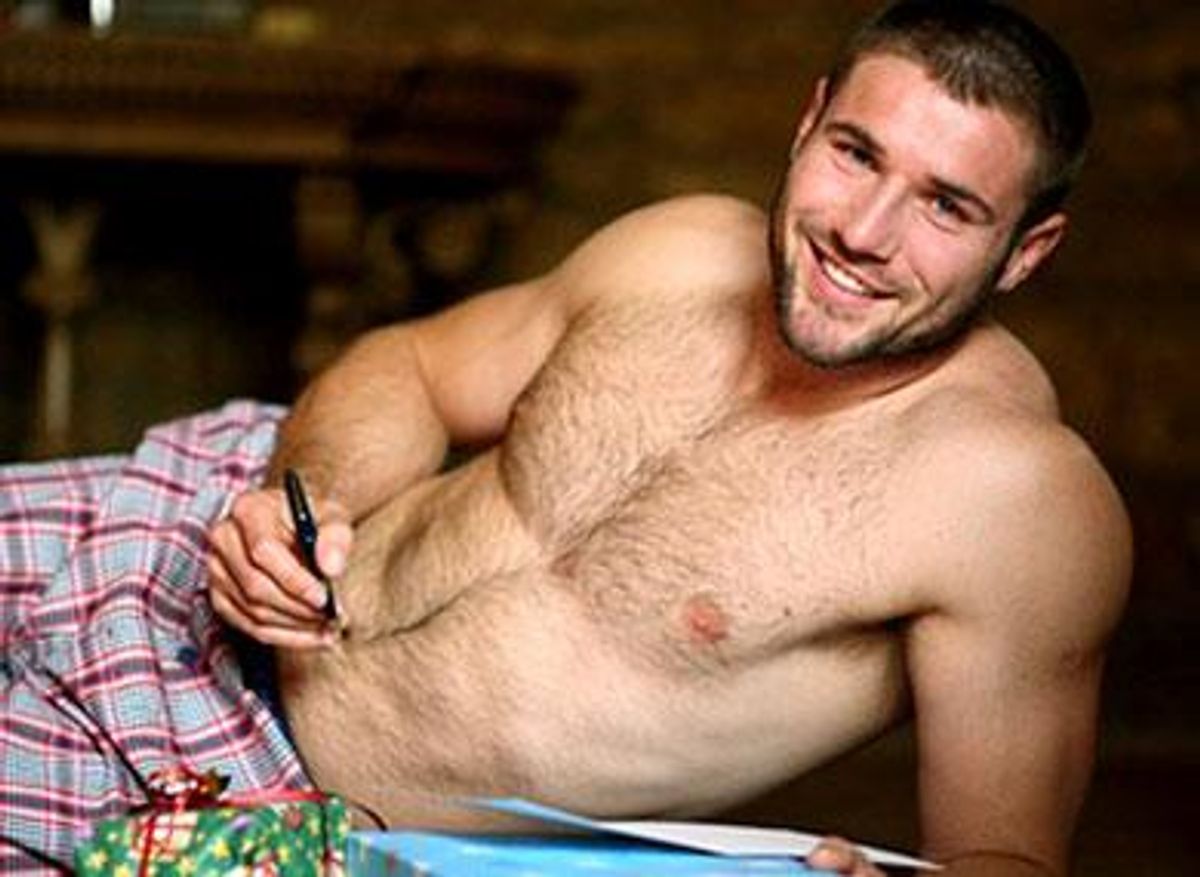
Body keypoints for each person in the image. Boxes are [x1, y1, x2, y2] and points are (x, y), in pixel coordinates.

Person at [1, 2, 1129, 875]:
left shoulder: (1016, 503)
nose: (864, 233)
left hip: (261, 805)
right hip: (177, 535)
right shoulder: (682, 248)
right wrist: (301, 500)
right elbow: (411, 367)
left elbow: (1009, 857)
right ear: (808, 119)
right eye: (856, 153)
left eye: (947, 206)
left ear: (1029, 250)